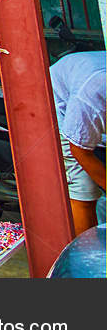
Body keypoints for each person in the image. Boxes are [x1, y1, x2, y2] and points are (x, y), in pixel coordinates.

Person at [51, 50, 107, 235]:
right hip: (60, 99)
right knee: (83, 187)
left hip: (84, 74)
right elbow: (79, 151)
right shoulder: (91, 98)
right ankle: (87, 256)